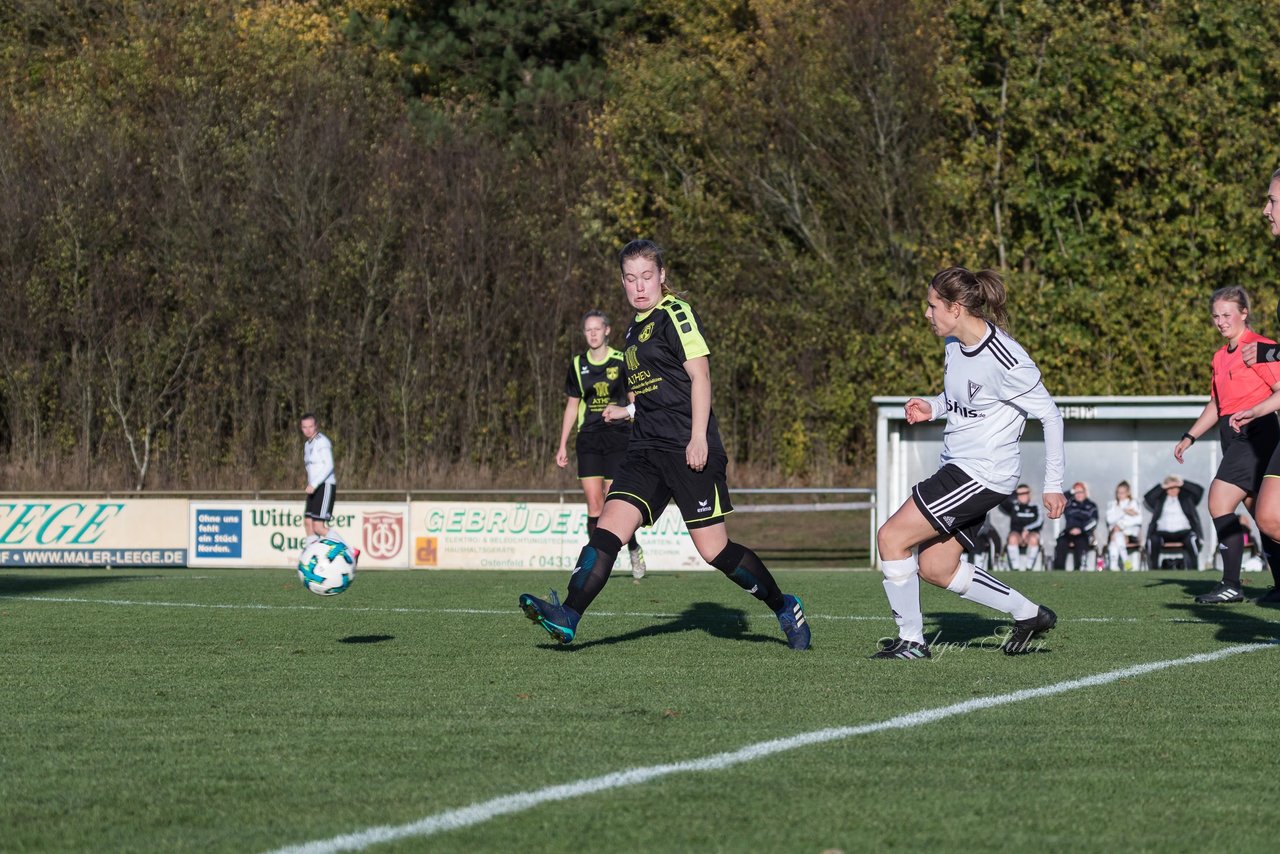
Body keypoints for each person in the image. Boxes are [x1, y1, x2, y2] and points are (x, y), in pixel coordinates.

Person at [519, 240, 811, 649]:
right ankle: (569, 614)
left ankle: (784, 605)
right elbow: (653, 393)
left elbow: (700, 378)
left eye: (647, 277)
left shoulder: (676, 314)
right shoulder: (631, 331)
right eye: (631, 278)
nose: (640, 286)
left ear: (662, 277)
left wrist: (697, 438)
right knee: (606, 530)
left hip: (688, 447)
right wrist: (627, 412)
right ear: (622, 281)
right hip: (644, 451)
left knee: (715, 551)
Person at [873, 266, 1065, 660]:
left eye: (931, 306)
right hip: (963, 468)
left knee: (891, 538)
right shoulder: (953, 346)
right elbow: (968, 401)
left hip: (981, 472)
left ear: (956, 308)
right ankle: (1029, 615)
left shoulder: (1007, 359)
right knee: (936, 567)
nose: (926, 314)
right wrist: (933, 407)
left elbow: (1050, 415)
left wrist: (1053, 483)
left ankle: (911, 642)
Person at [1172, 286, 1280, 601]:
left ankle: (1231, 584)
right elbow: (1217, 403)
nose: (1221, 321)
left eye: (1227, 314)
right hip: (1231, 435)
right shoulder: (1220, 357)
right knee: (1263, 515)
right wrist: (1190, 436)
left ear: (1244, 313)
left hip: (1257, 433)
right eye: (1216, 316)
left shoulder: (1260, 347)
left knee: (1219, 501)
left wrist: (1255, 411)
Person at [556, 309, 646, 581]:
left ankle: (632, 547)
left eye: (597, 328)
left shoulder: (621, 361)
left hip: (618, 437)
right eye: (588, 329)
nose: (593, 333)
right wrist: (562, 445)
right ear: (584, 334)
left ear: (607, 330)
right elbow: (572, 407)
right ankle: (595, 563)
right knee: (594, 506)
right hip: (589, 439)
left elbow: (635, 401)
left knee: (613, 503)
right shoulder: (577, 364)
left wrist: (630, 417)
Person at [1143, 476, 1204, 571]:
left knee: (1191, 539)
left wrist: (1183, 483)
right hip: (1162, 532)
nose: (1172, 490)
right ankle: (1153, 569)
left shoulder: (1187, 498)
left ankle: (1194, 570)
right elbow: (1147, 497)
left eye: (1175, 487)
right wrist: (1162, 486)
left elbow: (1199, 491)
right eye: (1169, 488)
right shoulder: (1160, 500)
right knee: (1152, 540)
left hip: (1184, 532)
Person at [300, 413, 337, 545]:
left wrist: (314, 484)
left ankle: (346, 550)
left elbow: (329, 465)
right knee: (308, 523)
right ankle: (313, 556)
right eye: (305, 427)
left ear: (316, 426)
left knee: (318, 527)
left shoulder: (322, 441)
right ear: (301, 428)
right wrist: (312, 484)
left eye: (311, 426)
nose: (308, 430)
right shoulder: (307, 444)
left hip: (324, 485)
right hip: (314, 488)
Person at [1052, 482, 1099, 570]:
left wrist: (1081, 529)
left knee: (1081, 543)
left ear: (1085, 492)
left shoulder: (1091, 506)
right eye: (1076, 492)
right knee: (1061, 542)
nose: (1078, 494)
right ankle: (1058, 569)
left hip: (1083, 533)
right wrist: (1071, 491)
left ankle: (1079, 568)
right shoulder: (1069, 504)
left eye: (1080, 492)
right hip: (1068, 532)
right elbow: (1060, 499)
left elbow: (1094, 522)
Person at [997, 484, 1043, 570]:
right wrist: (1014, 493)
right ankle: (1015, 568)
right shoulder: (1013, 506)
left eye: (1025, 493)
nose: (1023, 496)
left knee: (1034, 538)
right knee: (1012, 537)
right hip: (1017, 534)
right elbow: (1001, 503)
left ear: (1030, 494)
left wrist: (1027, 529)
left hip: (1031, 533)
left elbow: (1039, 521)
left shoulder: (1036, 507)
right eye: (1020, 494)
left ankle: (1029, 568)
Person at [1104, 480, 1142, 570]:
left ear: (1128, 492)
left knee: (1116, 537)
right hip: (1115, 532)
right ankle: (1123, 563)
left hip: (1131, 533)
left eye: (1122, 493)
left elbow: (1138, 520)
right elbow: (1109, 519)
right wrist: (1124, 511)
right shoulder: (1113, 504)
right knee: (1116, 537)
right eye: (1118, 493)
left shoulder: (1134, 503)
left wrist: (1120, 526)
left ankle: (1117, 564)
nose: (1120, 495)